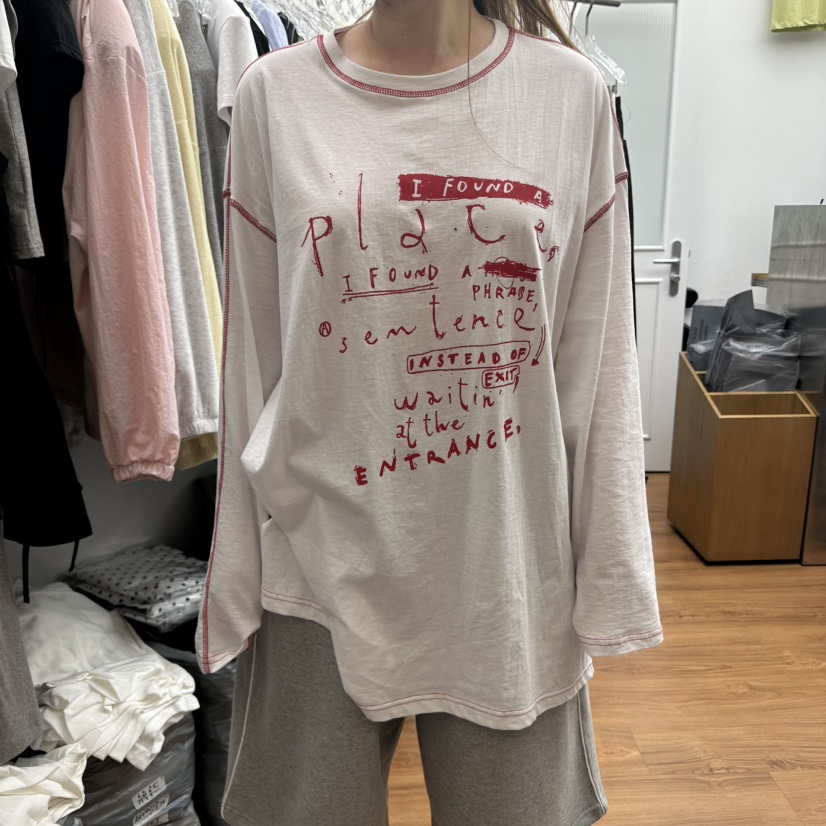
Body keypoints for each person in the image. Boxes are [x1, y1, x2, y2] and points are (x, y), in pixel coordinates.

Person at [197, 0, 663, 823]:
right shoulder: (276, 93)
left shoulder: (571, 94)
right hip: (315, 562)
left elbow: (597, 367)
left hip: (507, 569)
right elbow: (252, 361)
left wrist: (609, 577)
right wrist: (234, 575)